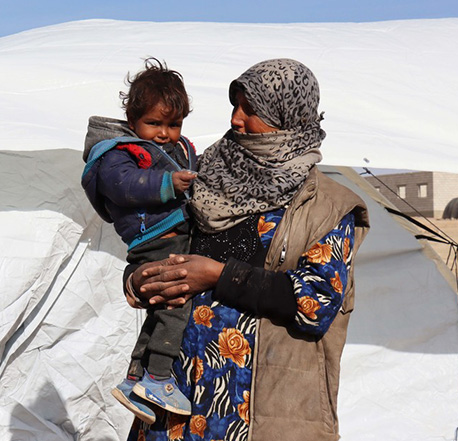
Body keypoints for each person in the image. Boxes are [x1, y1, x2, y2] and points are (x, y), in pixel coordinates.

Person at [124, 59, 370, 441]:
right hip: (172, 403)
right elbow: (155, 237)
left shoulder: (328, 206)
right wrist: (139, 280)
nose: (237, 120)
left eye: (251, 110)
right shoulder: (203, 172)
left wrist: (218, 275)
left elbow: (316, 303)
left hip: (254, 413)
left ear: (286, 117)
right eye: (235, 106)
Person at [81, 58, 198, 424]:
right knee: (176, 303)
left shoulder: (176, 149)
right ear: (132, 122)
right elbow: (124, 186)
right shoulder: (119, 153)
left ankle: (136, 379)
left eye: (173, 124)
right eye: (154, 123)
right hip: (154, 239)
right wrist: (167, 185)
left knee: (160, 309)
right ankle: (159, 377)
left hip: (172, 234)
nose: (165, 133)